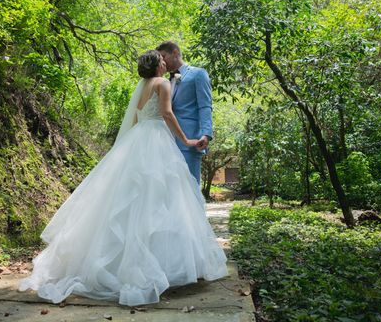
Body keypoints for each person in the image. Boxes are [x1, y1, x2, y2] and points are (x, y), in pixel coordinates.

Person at [18, 50, 228, 306]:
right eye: (161, 60)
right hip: (157, 140)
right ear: (158, 65)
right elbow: (167, 114)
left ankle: (123, 262)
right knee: (160, 198)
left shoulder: (141, 86)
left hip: (139, 139)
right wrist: (185, 139)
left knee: (133, 197)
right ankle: (163, 267)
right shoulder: (162, 83)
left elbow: (140, 116)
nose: (165, 61)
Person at [156, 41, 213, 185]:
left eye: (163, 56)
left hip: (190, 140)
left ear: (175, 53)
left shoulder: (198, 74)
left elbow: (205, 106)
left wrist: (206, 134)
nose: (161, 61)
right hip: (167, 142)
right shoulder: (163, 81)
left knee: (190, 189)